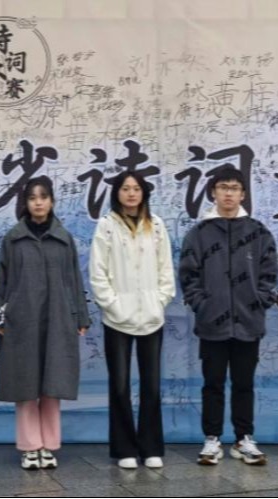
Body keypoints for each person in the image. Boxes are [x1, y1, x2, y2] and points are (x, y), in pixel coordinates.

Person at [0, 177, 90, 470]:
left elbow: (74, 279)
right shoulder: (14, 238)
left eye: (43, 197)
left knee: (51, 382)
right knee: (25, 383)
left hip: (57, 317)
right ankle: (30, 446)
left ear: (52, 201)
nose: (38, 202)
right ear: (26, 203)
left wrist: (81, 316)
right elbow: (1, 279)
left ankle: (49, 445)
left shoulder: (63, 238)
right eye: (32, 198)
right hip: (22, 318)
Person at [179, 168, 277, 466]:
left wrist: (259, 302)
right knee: (213, 384)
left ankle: (244, 439)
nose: (229, 193)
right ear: (213, 192)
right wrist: (203, 305)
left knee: (244, 383)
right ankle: (212, 439)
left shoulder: (258, 232)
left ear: (243, 194)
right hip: (212, 324)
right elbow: (188, 275)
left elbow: (269, 273)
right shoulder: (199, 233)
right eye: (223, 187)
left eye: (234, 188)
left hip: (248, 322)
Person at [89, 172, 175, 469]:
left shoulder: (157, 225)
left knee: (151, 385)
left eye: (136, 188)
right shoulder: (107, 225)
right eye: (125, 188)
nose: (131, 193)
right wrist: (112, 305)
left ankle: (151, 447)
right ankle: (125, 448)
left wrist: (159, 301)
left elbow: (166, 269)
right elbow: (97, 272)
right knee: (120, 385)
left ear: (143, 193)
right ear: (117, 193)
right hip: (117, 318)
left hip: (151, 317)